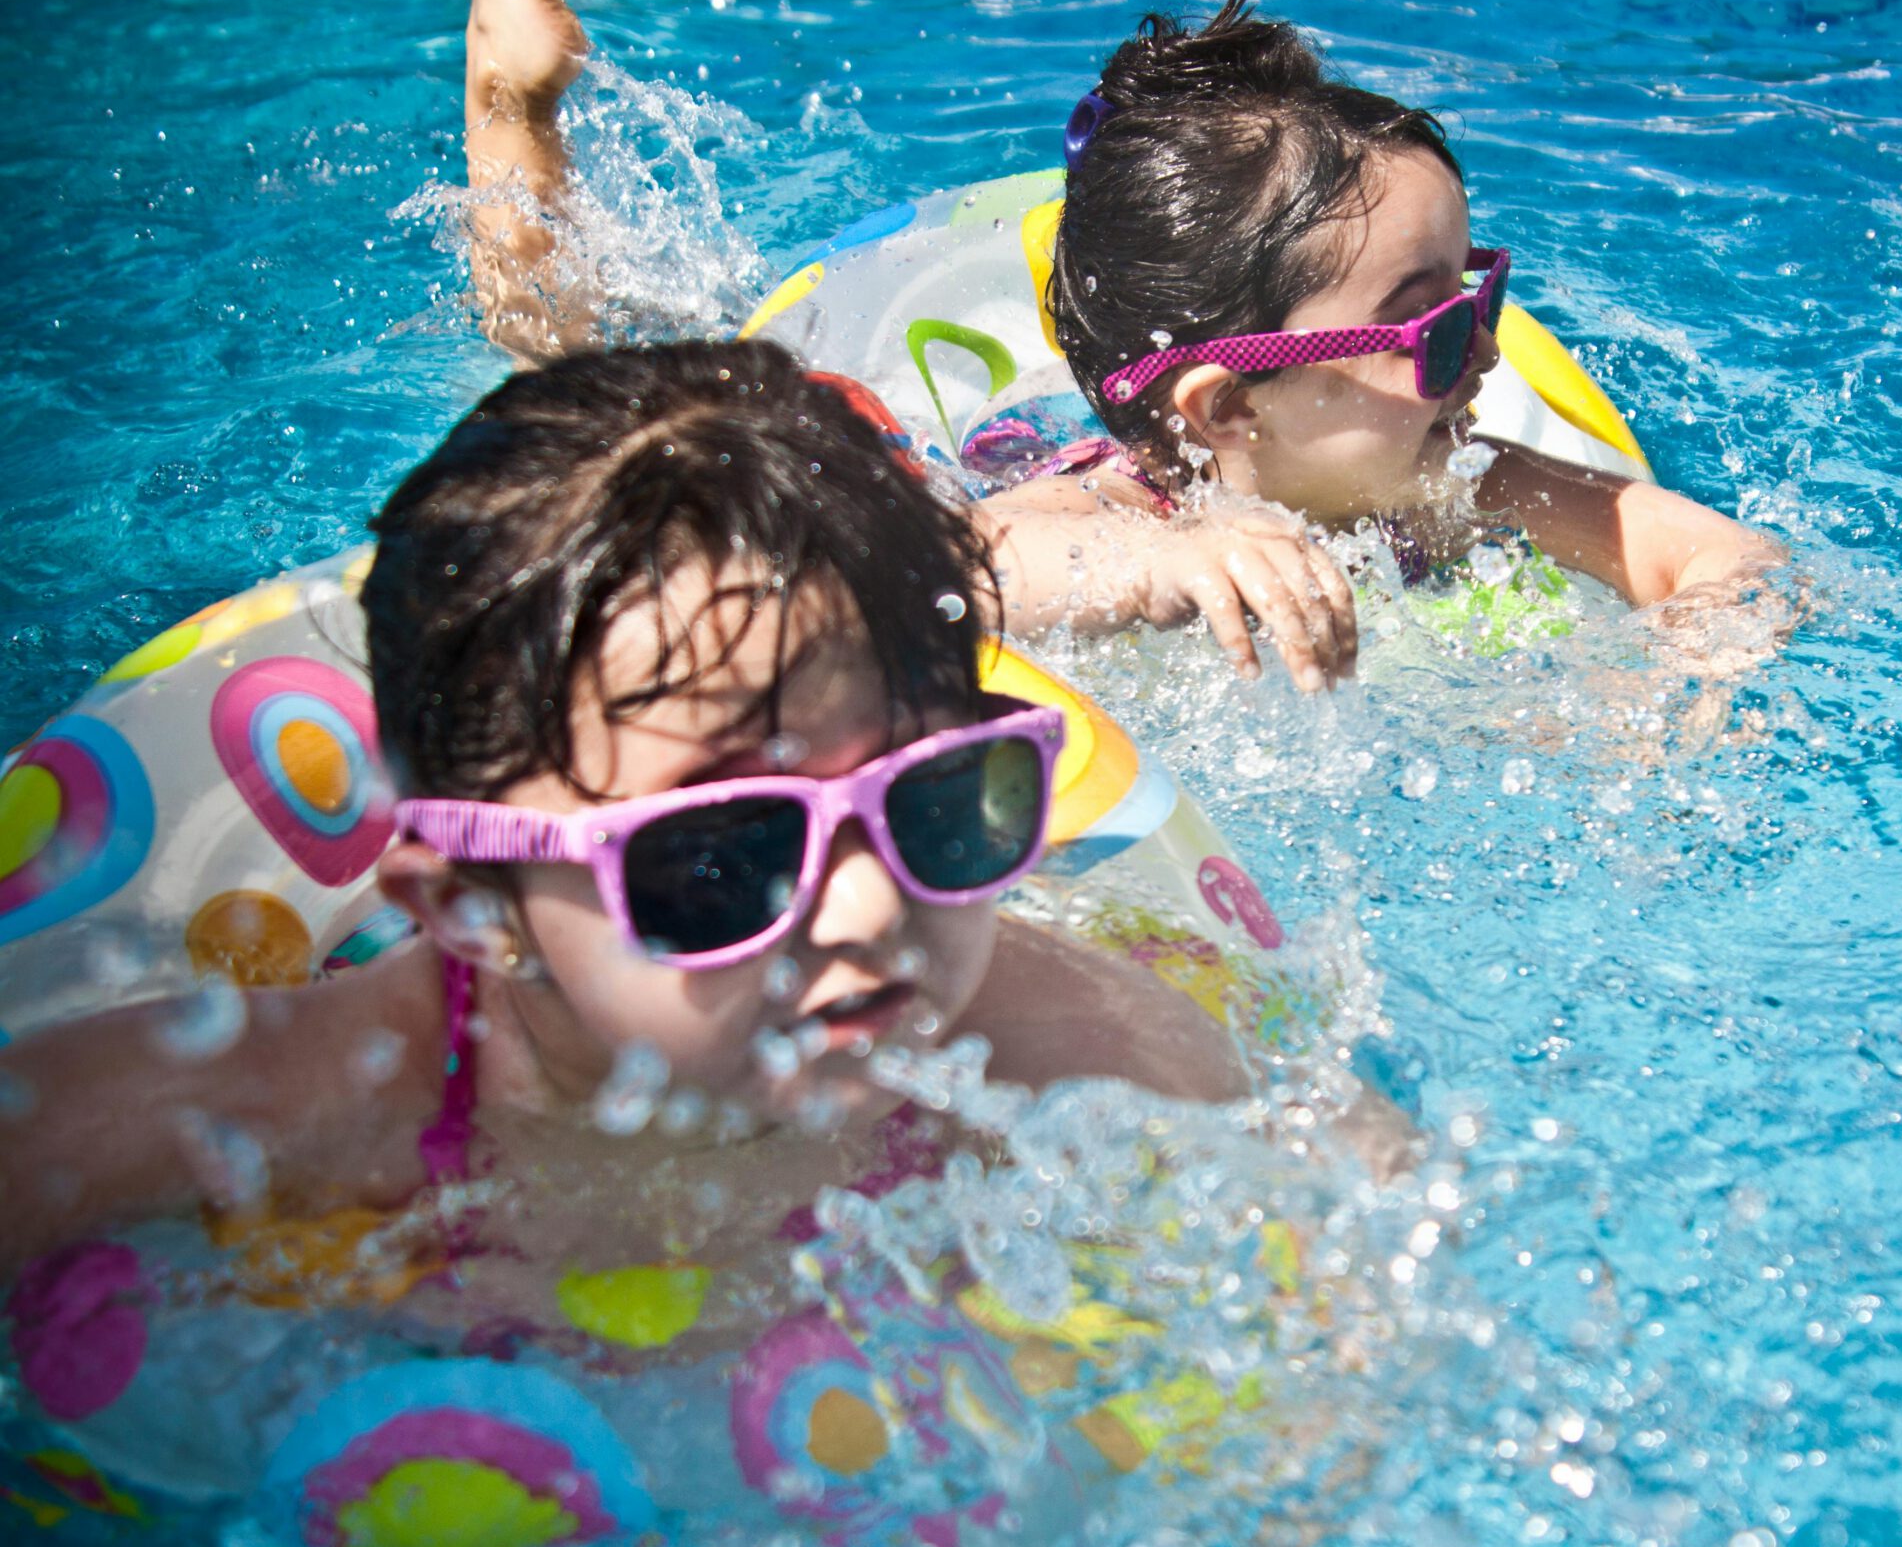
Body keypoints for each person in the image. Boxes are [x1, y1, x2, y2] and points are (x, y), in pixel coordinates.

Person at [0, 340, 1256, 1294]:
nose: (872, 909)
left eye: (935, 804)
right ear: (470, 904)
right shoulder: (270, 1115)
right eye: (722, 857)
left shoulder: (1057, 1048)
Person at [457, 0, 1785, 696]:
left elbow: (1705, 549)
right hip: (954, 460)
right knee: (590, 402)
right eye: (1430, 334)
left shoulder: (1465, 480)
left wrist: (1703, 654)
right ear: (1223, 412)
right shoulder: (1108, 500)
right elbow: (940, 579)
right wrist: (1162, 555)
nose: (1483, 360)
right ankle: (513, 104)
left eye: (1478, 301)